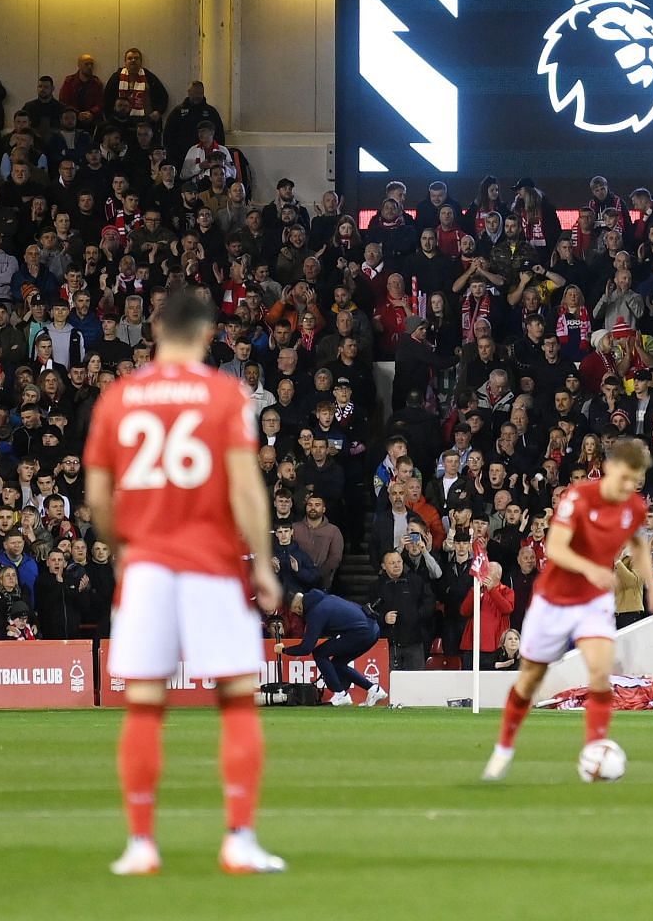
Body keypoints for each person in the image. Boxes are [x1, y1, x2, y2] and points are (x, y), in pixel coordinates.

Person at [82, 288, 286, 876]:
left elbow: (98, 494)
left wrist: (122, 547)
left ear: (153, 329)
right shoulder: (225, 394)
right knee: (237, 700)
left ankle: (141, 844)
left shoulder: (120, 398)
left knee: (144, 705)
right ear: (205, 335)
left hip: (146, 567)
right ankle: (239, 839)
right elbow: (246, 488)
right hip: (212, 568)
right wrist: (265, 566)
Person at [484, 438, 653, 782]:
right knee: (530, 679)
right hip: (555, 599)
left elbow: (638, 543)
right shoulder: (579, 496)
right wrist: (591, 568)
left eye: (635, 481)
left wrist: (652, 586)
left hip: (593, 601)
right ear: (609, 468)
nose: (629, 487)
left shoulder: (633, 507)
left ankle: (595, 749)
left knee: (599, 671)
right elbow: (556, 547)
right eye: (625, 478)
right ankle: (503, 749)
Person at [285, 589, 386, 703]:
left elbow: (306, 648)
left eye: (295, 611)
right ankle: (373, 689)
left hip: (360, 633)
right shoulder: (327, 599)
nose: (297, 614)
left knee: (319, 653)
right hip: (373, 630)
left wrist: (284, 650)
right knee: (338, 664)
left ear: (298, 607)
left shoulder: (316, 612)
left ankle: (340, 694)